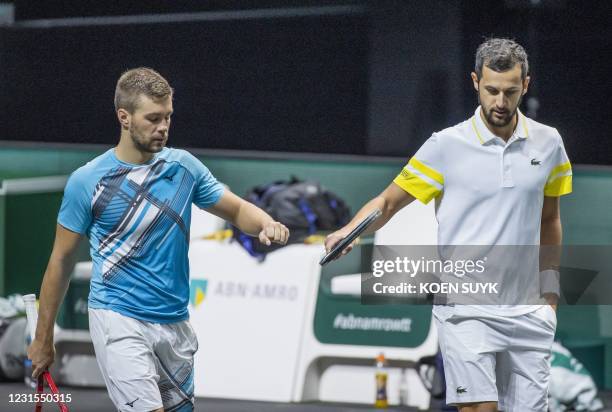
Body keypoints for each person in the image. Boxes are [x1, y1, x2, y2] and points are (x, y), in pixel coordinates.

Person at [325, 38, 572, 412]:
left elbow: (550, 219)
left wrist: (549, 296)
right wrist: (350, 229)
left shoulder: (549, 143)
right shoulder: (444, 145)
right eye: (491, 90)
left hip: (528, 311)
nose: (500, 103)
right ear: (475, 82)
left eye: (509, 91)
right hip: (465, 308)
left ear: (526, 85)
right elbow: (388, 202)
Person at [27, 67, 290, 412]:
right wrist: (44, 337)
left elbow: (238, 211)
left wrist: (266, 222)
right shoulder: (87, 181)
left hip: (174, 322)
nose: (163, 126)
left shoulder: (184, 168)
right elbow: (60, 261)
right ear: (124, 117)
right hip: (117, 316)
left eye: (167, 117)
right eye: (153, 118)